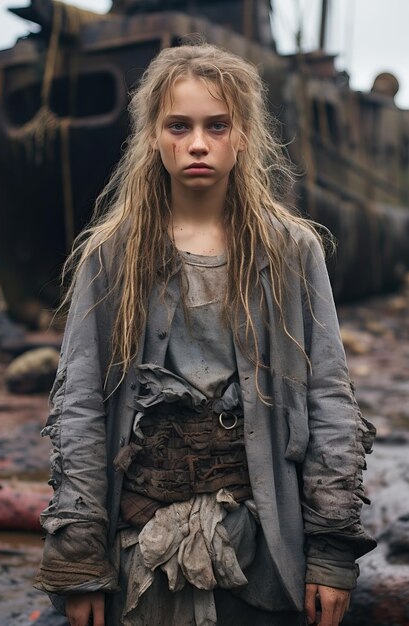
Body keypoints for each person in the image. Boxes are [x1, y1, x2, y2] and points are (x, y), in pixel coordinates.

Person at [34, 42, 376, 626]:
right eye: (179, 125)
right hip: (138, 544)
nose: (197, 143)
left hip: (261, 549)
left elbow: (329, 402)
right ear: (152, 136)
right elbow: (80, 410)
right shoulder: (111, 256)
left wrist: (331, 555)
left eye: (216, 125)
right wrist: (78, 559)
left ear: (242, 135)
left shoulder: (291, 251)